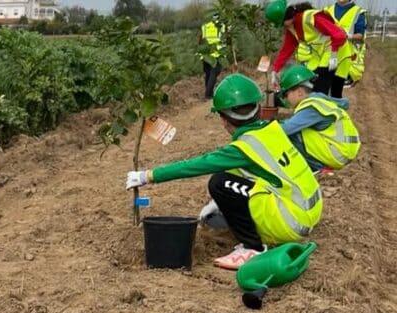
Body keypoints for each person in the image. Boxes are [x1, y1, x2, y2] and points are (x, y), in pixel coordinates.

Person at [125, 74, 323, 271]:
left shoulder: (243, 148)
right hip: (309, 211)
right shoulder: (272, 129)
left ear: (224, 119)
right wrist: (218, 205)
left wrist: (147, 176)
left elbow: (195, 165)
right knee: (231, 177)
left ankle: (252, 247)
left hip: (291, 222)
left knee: (219, 183)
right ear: (259, 108)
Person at [277, 64, 360, 172]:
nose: (285, 99)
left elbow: (285, 129)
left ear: (299, 92)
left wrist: (262, 129)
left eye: (286, 94)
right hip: (344, 150)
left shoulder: (311, 107)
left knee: (293, 134)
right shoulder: (320, 100)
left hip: (337, 154)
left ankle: (318, 169)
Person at [265, 0, 349, 98]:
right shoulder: (292, 27)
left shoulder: (311, 18)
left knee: (323, 90)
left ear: (287, 17)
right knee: (313, 85)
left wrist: (334, 54)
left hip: (337, 51)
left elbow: (340, 35)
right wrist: (275, 70)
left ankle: (330, 109)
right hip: (320, 55)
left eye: (282, 24)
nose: (283, 27)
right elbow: (286, 50)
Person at [327, 0, 367, 86]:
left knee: (336, 91)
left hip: (345, 56)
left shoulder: (358, 12)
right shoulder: (328, 10)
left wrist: (347, 36)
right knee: (323, 89)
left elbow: (360, 36)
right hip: (327, 55)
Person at [199, 12, 226, 99]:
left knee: (208, 73)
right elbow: (224, 39)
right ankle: (208, 94)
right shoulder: (221, 26)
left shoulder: (205, 26)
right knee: (214, 72)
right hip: (215, 53)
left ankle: (208, 92)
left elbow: (200, 39)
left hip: (205, 54)